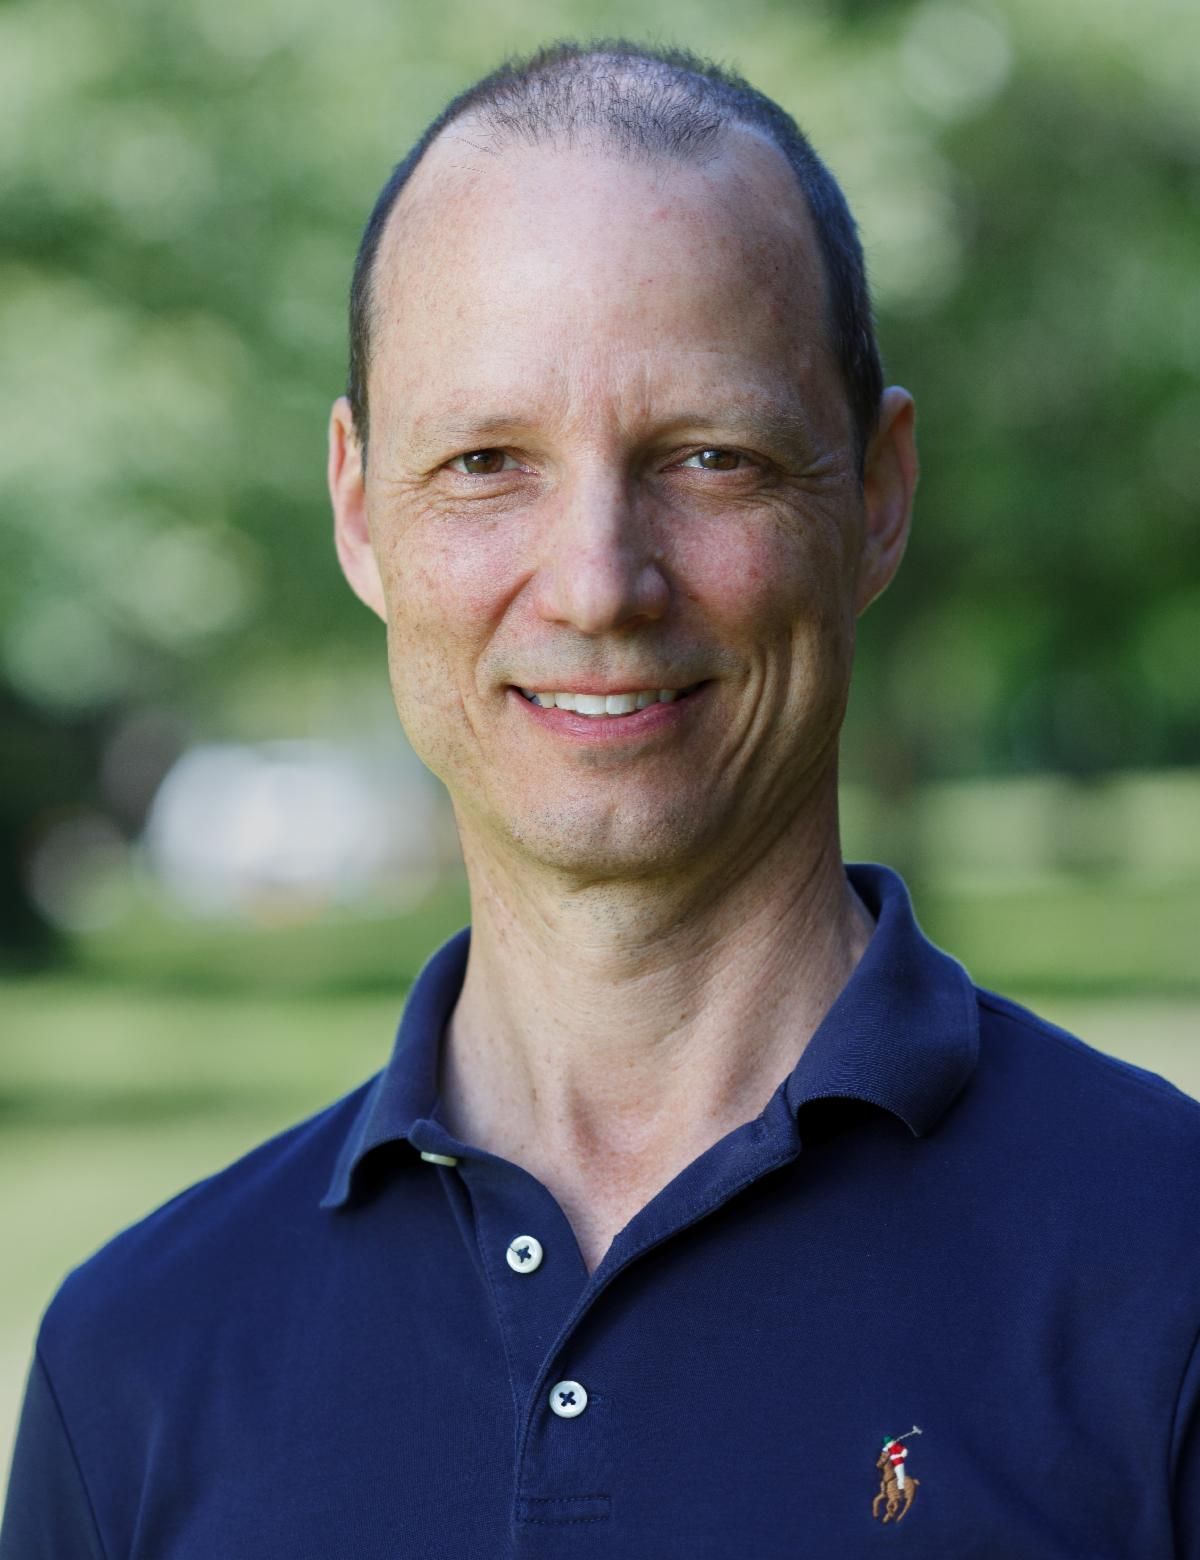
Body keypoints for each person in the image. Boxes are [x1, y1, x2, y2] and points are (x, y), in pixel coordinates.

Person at [3, 40, 1198, 1560]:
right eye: (486, 462)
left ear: (879, 494)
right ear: (360, 512)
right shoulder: (134, 1367)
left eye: (708, 457)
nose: (596, 584)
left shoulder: (1171, 1275)